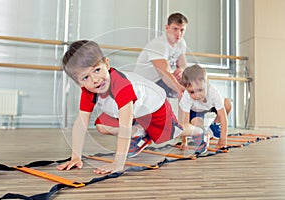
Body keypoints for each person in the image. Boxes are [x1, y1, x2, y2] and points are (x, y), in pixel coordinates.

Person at [57, 40, 184, 175]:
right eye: (85, 77)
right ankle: (140, 134)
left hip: (155, 107)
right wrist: (76, 156)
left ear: (107, 63)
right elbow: (81, 123)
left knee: (176, 133)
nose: (95, 79)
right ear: (79, 83)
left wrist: (118, 163)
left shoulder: (121, 86)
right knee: (102, 126)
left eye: (97, 70)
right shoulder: (89, 90)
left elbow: (125, 126)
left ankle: (199, 131)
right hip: (134, 111)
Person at [134, 12, 188, 99]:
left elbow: (182, 64)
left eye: (182, 30)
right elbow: (164, 73)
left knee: (193, 80)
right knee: (186, 90)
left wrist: (181, 70)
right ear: (167, 28)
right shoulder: (159, 45)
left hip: (160, 81)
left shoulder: (181, 43)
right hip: (145, 83)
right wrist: (179, 88)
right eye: (175, 29)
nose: (178, 34)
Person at [178, 64, 231, 152]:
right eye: (192, 92)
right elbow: (185, 122)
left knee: (227, 104)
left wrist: (223, 139)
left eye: (200, 90)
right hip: (195, 111)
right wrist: (184, 141)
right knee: (197, 121)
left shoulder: (213, 92)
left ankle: (215, 125)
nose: (197, 95)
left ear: (207, 83)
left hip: (209, 108)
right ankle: (201, 139)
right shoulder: (187, 97)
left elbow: (223, 116)